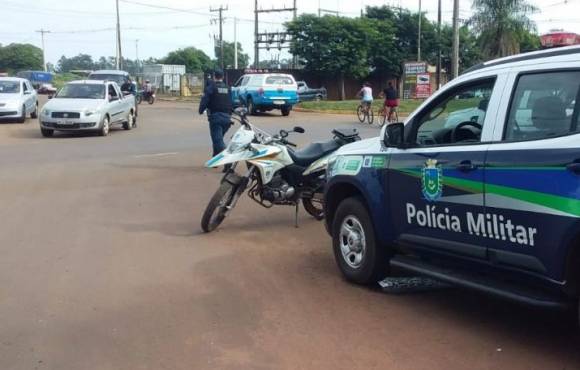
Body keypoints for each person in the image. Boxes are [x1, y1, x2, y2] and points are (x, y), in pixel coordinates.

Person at [198, 69, 233, 171]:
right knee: (218, 140)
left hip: (216, 118)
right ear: (222, 77)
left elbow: (205, 100)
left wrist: (201, 110)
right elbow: (231, 102)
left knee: (218, 141)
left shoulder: (211, 87)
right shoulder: (228, 88)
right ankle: (215, 161)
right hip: (227, 118)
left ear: (214, 76)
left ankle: (228, 160)